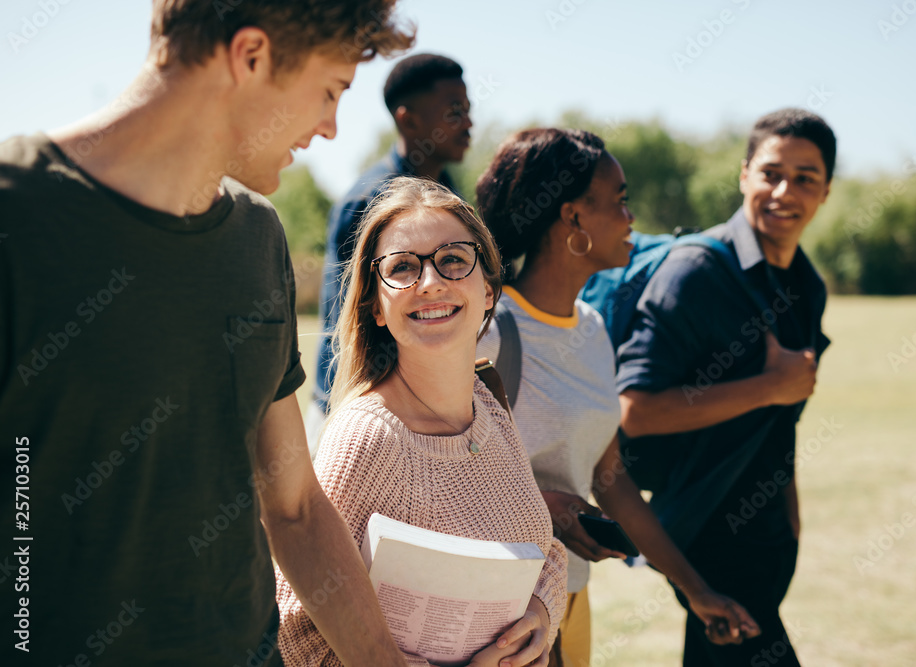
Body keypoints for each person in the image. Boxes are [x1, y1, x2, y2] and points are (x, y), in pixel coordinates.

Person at [0, 2, 417, 665]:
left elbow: (296, 506)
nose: (332, 129)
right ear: (250, 57)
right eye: (331, 91)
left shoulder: (259, 238)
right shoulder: (16, 212)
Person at [475, 128, 760, 667]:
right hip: (495, 612)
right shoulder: (487, 330)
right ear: (573, 218)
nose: (633, 219)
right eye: (621, 201)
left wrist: (696, 591)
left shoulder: (594, 327)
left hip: (566, 596)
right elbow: (429, 475)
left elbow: (613, 482)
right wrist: (547, 508)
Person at [275, 176, 568, 667]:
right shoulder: (366, 438)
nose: (430, 282)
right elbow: (296, 637)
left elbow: (545, 550)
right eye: (403, 268)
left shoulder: (489, 406)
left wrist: (541, 613)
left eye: (453, 259)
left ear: (490, 289)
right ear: (377, 307)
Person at [615, 108, 836, 666]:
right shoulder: (696, 273)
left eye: (805, 178)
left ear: (826, 191)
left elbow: (779, 422)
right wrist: (769, 386)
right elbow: (635, 411)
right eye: (771, 173)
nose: (785, 191)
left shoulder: (806, 284)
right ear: (744, 175)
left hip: (767, 536)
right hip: (707, 531)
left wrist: (789, 518)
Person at [309, 53, 473, 453]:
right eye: (454, 111)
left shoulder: (449, 194)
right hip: (357, 414)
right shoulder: (369, 201)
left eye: (468, 110)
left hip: (423, 412)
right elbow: (348, 326)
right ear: (408, 120)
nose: (468, 123)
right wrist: (357, 421)